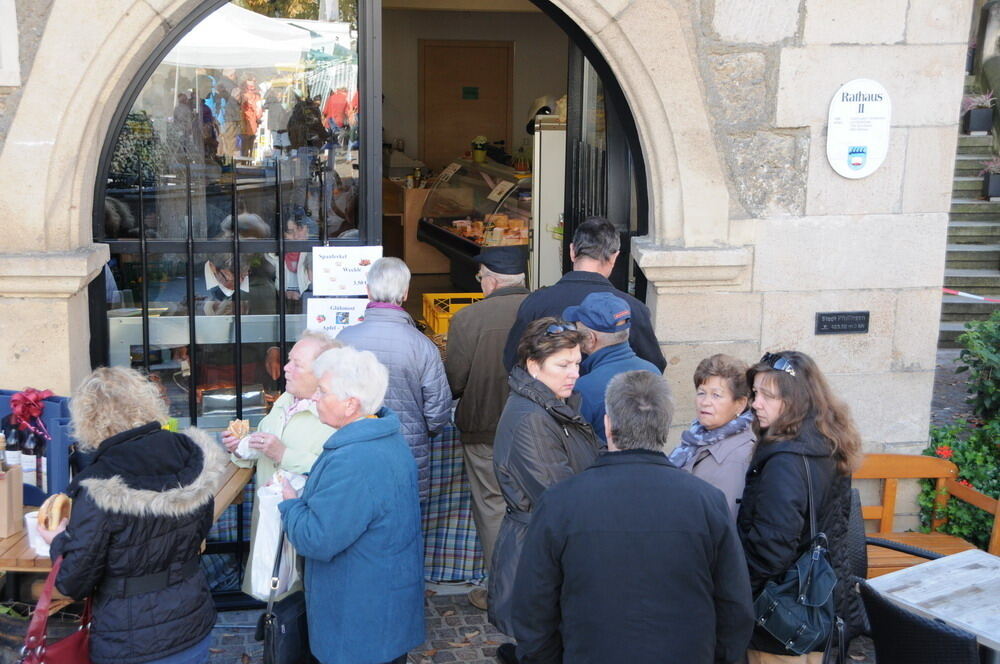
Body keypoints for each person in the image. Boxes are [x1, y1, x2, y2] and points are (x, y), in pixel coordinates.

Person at [511, 371, 754, 664]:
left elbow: (532, 607)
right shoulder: (706, 502)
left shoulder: (561, 502)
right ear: (665, 426)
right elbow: (735, 607)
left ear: (607, 423)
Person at [38, 367, 227, 664]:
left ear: (88, 419)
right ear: (145, 401)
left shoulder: (98, 485)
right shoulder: (193, 453)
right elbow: (199, 533)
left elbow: (72, 583)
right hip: (192, 622)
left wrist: (58, 541)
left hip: (131, 641)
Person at [278, 346, 424, 664]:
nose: (314, 397)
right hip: (381, 604)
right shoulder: (382, 438)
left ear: (350, 404)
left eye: (322, 391)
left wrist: (290, 504)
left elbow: (316, 539)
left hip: (358, 618)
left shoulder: (355, 458)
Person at [738, 351, 864, 663]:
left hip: (780, 618)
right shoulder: (828, 442)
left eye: (768, 395)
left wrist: (737, 593)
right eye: (755, 393)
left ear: (795, 401)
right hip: (818, 605)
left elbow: (771, 549)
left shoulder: (785, 462)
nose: (755, 404)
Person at [490, 317, 600, 642]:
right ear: (533, 366)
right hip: (538, 557)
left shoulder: (552, 407)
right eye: (563, 364)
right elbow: (561, 498)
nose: (575, 373)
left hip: (549, 549)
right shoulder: (533, 421)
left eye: (578, 363)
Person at [220, 330, 339, 599]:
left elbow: (335, 470)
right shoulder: (284, 401)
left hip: (306, 529)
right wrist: (240, 447)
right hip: (272, 522)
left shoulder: (333, 415)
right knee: (277, 595)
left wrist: (283, 453)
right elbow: (265, 448)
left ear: (322, 374)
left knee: (303, 597)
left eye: (297, 364)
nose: (285, 367)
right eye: (289, 360)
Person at [444, 246, 530, 611]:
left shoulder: (467, 319)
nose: (480, 284)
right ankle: (536, 588)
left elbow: (455, 381)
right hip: (535, 428)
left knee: (493, 508)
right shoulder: (543, 311)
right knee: (533, 506)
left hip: (484, 429)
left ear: (492, 280)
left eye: (480, 278)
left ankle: (502, 592)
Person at [337, 257, 451, 504]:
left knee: (356, 518)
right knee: (403, 525)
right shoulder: (422, 346)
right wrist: (420, 431)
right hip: (407, 452)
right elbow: (438, 411)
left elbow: (330, 398)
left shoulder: (344, 339)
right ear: (406, 293)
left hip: (354, 447)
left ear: (367, 291)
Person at [502, 216, 665, 372]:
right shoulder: (631, 308)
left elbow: (512, 361)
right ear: (614, 257)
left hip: (547, 398)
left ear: (572, 251)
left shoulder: (536, 302)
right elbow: (653, 366)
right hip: (608, 398)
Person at [562, 291, 660, 442]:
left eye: (577, 328)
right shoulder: (653, 372)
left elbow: (576, 445)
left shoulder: (584, 387)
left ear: (590, 338)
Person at [667, 353, 755, 518]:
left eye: (716, 395)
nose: (705, 402)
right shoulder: (694, 438)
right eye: (701, 393)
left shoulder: (741, 455)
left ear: (740, 404)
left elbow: (724, 521)